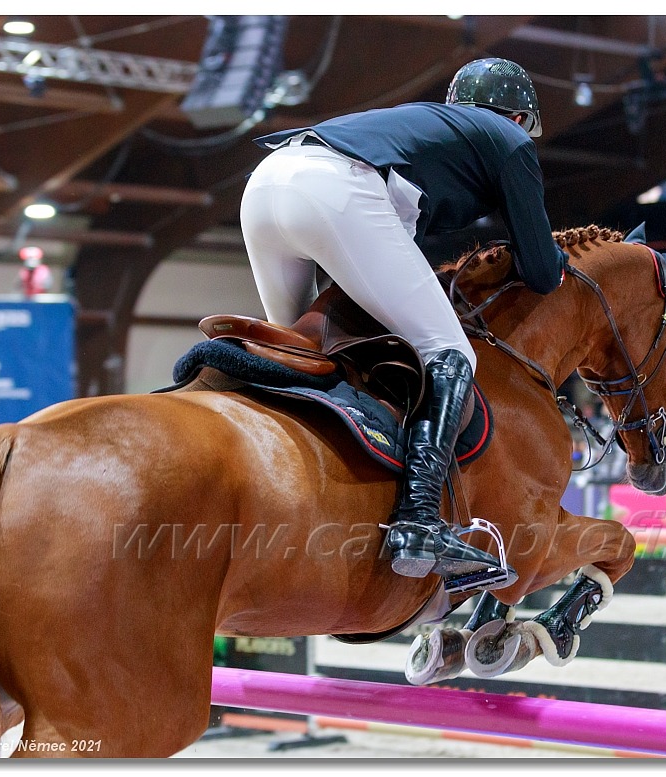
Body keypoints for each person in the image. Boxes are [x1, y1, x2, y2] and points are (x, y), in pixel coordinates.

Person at [239, 58, 568, 583]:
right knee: (451, 351)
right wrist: (560, 260)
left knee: (302, 350)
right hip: (338, 189)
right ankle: (417, 522)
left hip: (265, 185)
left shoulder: (425, 132)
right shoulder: (510, 140)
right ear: (520, 117)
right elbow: (543, 272)